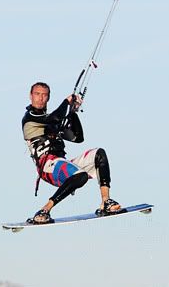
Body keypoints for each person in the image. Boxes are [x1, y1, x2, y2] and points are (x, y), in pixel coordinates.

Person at [21, 82, 123, 224]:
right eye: (37, 94)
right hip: (47, 166)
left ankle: (106, 202)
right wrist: (67, 101)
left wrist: (73, 112)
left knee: (99, 154)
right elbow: (53, 118)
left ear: (48, 98)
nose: (40, 98)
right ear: (30, 96)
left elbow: (77, 137)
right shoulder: (30, 117)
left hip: (61, 162)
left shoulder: (52, 120)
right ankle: (44, 210)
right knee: (80, 176)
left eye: (44, 95)